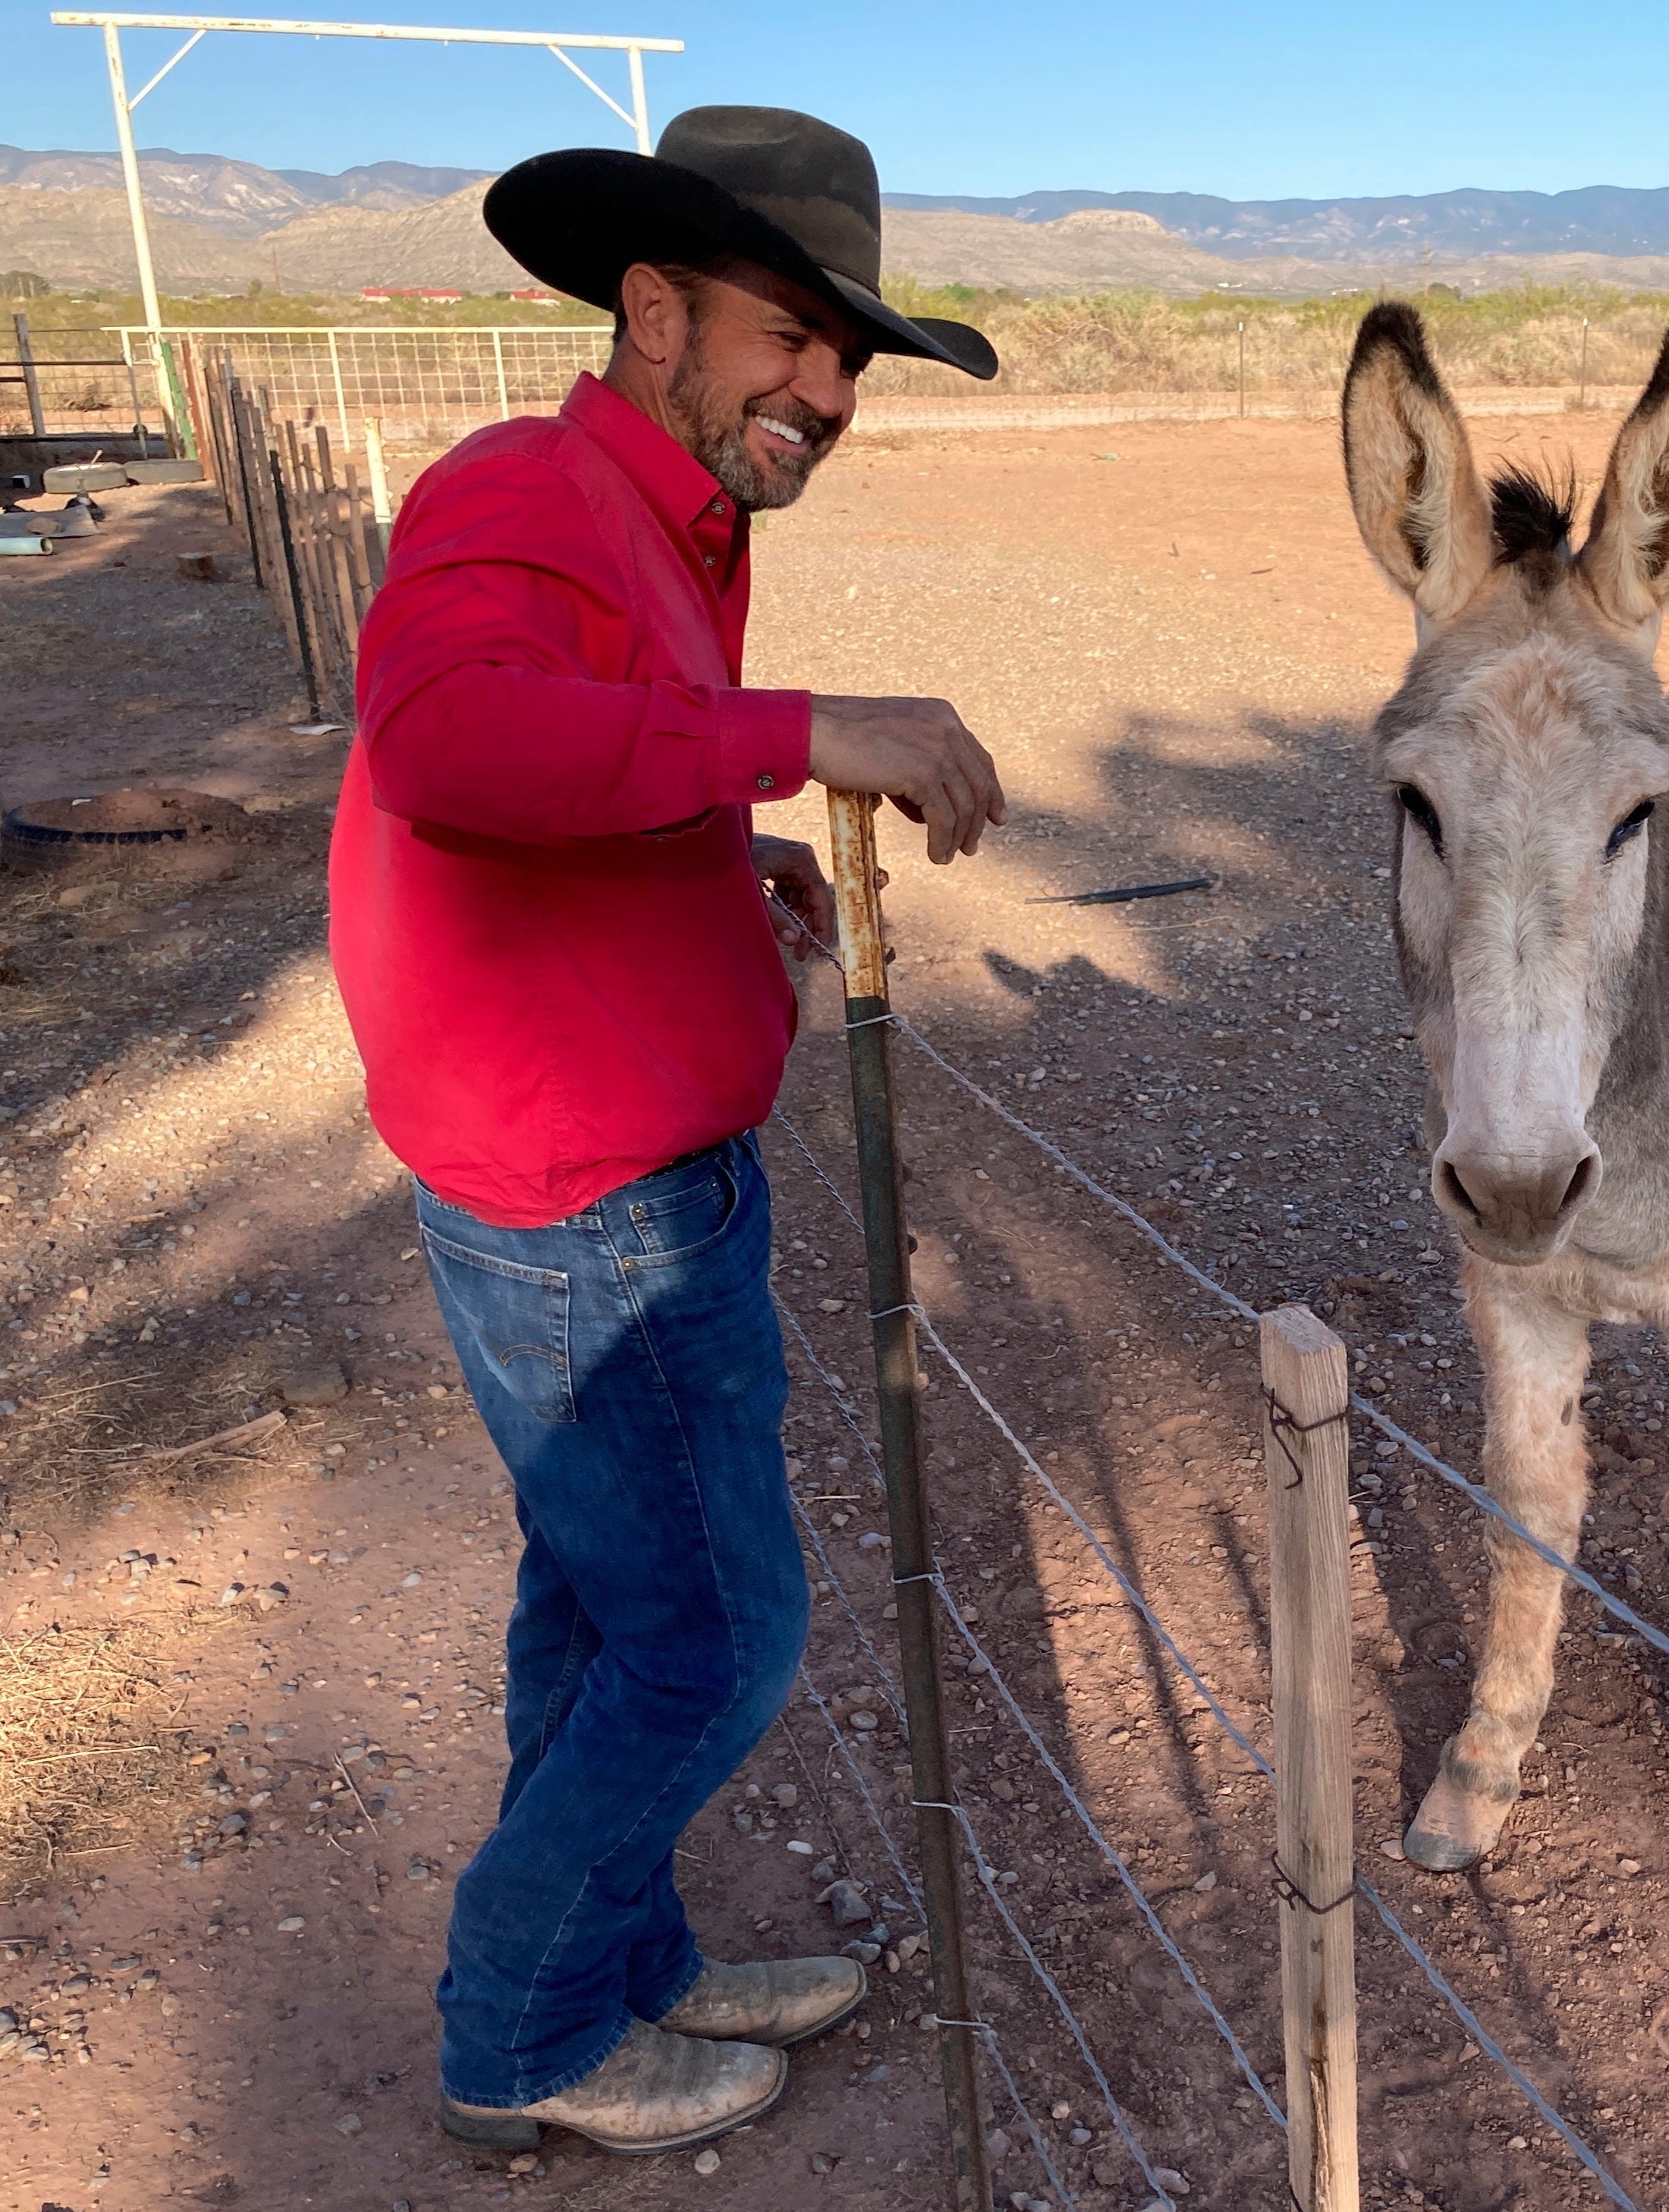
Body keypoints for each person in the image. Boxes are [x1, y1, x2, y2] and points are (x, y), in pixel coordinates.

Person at [326, 105, 1004, 2157]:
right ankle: (523, 2029)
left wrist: (732, 862)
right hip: (580, 1204)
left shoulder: (667, 526)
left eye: (851, 360)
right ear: (651, 305)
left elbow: (587, 760)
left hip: (618, 1176)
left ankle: (615, 1963)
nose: (826, 388)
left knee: (605, 1608)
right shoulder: (523, 492)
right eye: (792, 334)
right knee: (717, 1633)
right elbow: (451, 738)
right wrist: (801, 733)